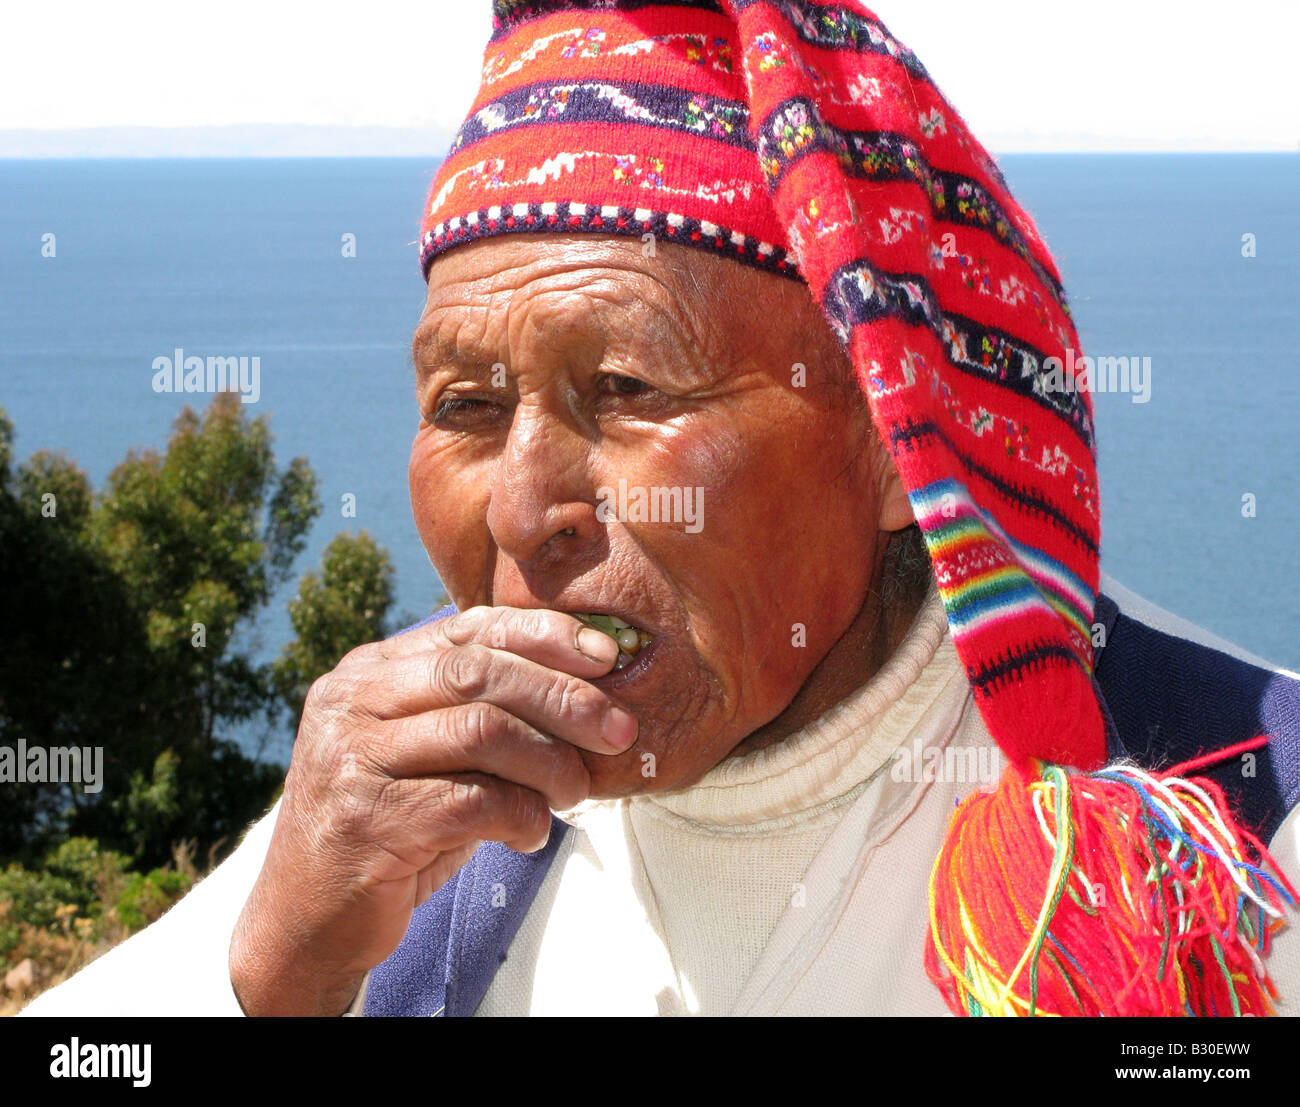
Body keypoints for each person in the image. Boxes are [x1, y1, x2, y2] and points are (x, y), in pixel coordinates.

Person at [22, 0, 1300, 1018]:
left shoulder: (1240, 837)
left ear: (893, 440)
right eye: (465, 405)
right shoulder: (397, 853)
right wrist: (276, 983)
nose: (524, 512)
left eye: (625, 388)